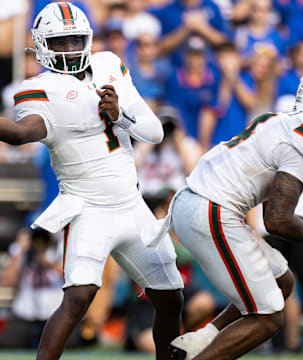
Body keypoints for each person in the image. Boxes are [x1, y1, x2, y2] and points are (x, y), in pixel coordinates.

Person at [0, 3, 184, 360]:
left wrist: (121, 115)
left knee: (171, 297)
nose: (69, 49)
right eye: (60, 42)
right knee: (79, 297)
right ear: (40, 45)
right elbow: (24, 132)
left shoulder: (108, 64)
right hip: (88, 209)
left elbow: (155, 132)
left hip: (133, 205)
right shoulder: (39, 89)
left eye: (75, 39)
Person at [151, 65, 303, 360]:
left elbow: (273, 212)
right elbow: (277, 222)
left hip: (201, 205)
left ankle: (205, 337)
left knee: (282, 280)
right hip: (211, 211)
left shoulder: (284, 122)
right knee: (267, 317)